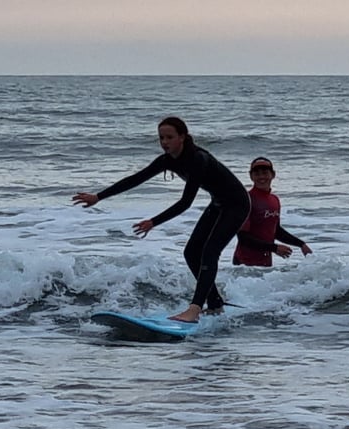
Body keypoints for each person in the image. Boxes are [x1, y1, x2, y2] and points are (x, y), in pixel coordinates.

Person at [73, 117, 250, 322]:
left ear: (182, 137)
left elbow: (186, 202)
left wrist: (154, 222)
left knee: (210, 251)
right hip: (219, 203)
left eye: (169, 137)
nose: (164, 142)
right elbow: (136, 179)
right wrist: (98, 197)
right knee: (192, 252)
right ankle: (215, 303)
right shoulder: (167, 161)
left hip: (237, 204)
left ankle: (194, 310)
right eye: (161, 138)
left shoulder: (198, 159)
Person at [233, 157, 312, 267]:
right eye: (257, 174)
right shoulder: (246, 200)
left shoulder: (274, 200)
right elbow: (243, 238)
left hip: (264, 263)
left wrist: (301, 244)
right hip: (244, 264)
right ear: (251, 176)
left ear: (273, 175)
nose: (261, 177)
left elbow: (276, 231)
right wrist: (274, 248)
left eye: (265, 173)